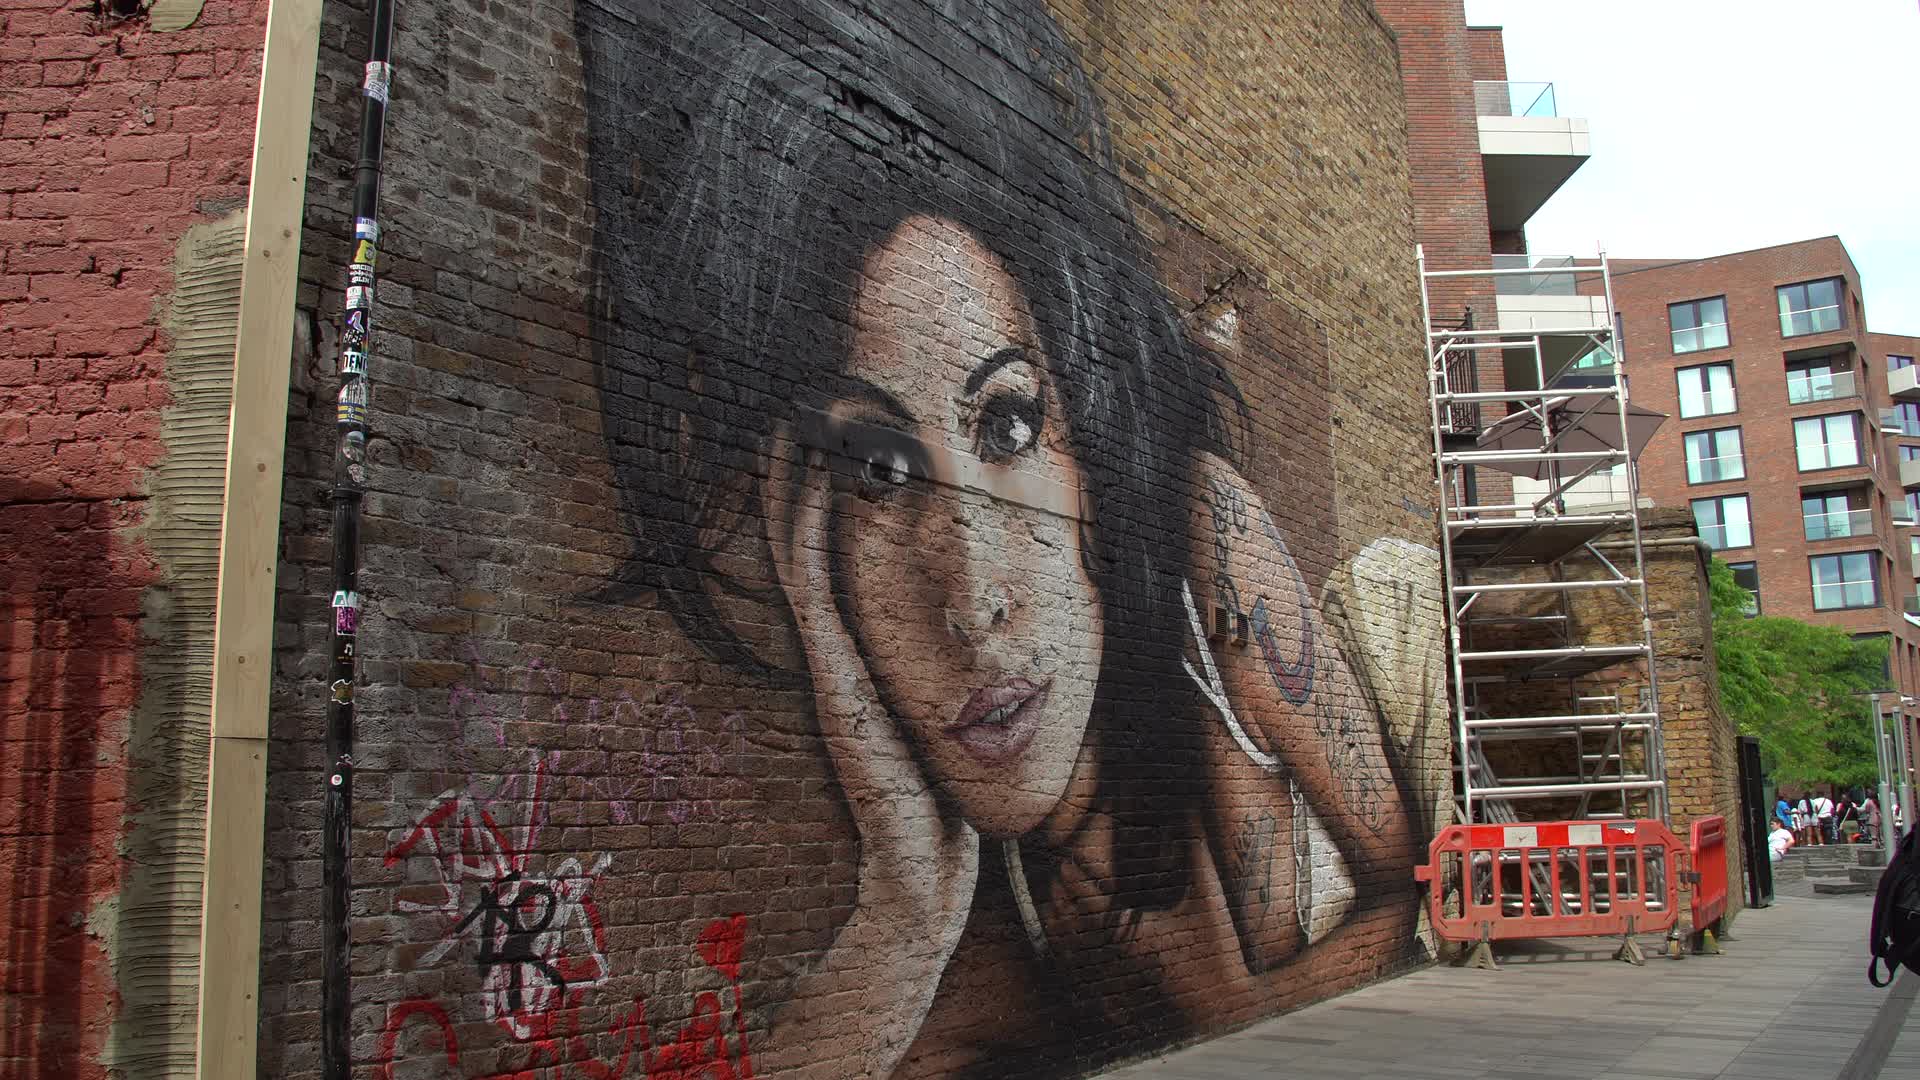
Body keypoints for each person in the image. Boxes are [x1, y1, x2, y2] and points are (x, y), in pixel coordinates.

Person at [578, 1, 1426, 1073]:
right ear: (814, 561)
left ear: (1089, 428)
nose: (973, 593)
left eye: (1010, 423)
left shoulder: (1204, 546)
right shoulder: (980, 885)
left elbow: (1412, 886)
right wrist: (902, 909)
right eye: (878, 472)